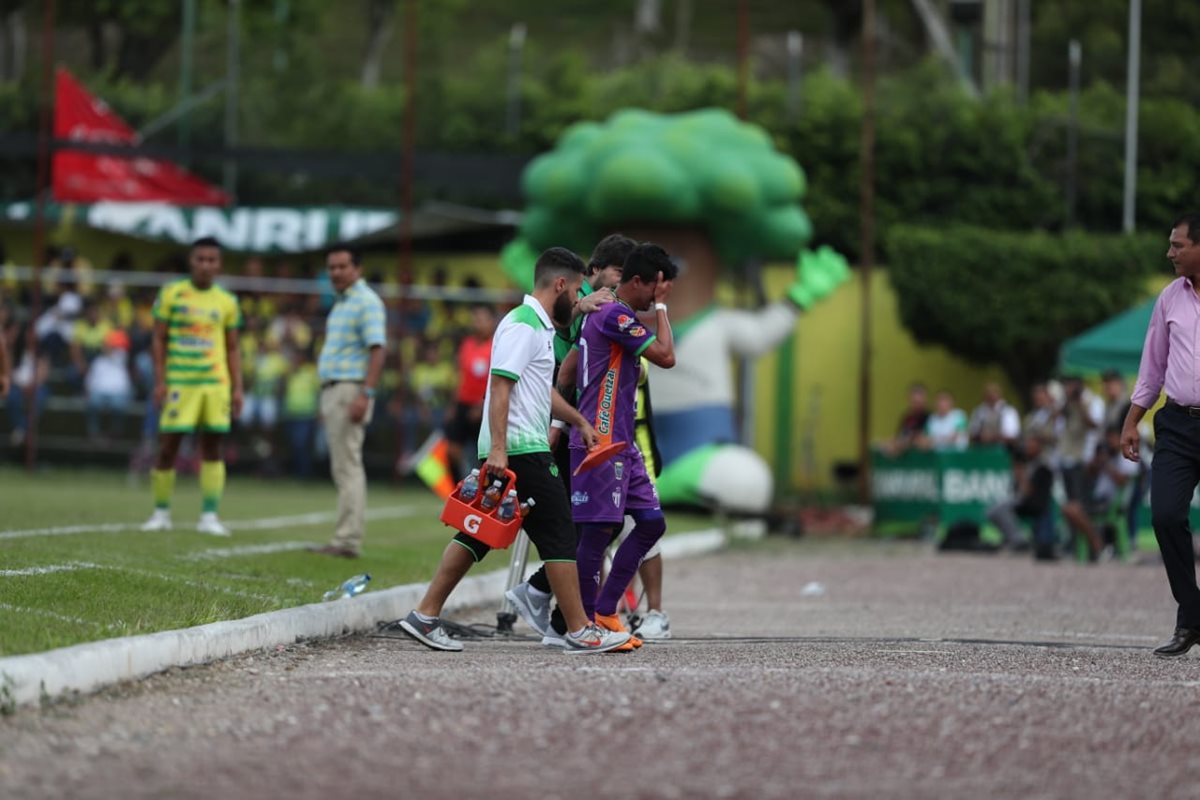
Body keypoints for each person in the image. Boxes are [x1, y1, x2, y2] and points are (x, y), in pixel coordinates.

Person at [397, 247, 631, 654]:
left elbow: (537, 390)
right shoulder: (522, 326)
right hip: (521, 449)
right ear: (559, 284)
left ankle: (424, 615)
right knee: (561, 533)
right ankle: (578, 630)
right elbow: (501, 386)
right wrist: (500, 451)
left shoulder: (534, 325)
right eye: (576, 291)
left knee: (480, 534)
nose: (577, 300)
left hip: (518, 445)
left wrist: (577, 420)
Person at [567, 243, 678, 649]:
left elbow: (570, 368)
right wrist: (663, 310)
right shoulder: (613, 315)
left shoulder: (616, 313)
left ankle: (604, 610)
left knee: (651, 523)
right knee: (597, 533)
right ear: (638, 282)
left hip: (623, 443)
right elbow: (666, 356)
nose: (657, 297)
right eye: (657, 290)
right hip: (600, 441)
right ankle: (583, 625)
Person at [1122, 212, 1200, 657]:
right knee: (1166, 515)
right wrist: (1132, 420)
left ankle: (1191, 621)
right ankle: (1193, 614)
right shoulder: (1170, 298)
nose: (1170, 253)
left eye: (1178, 245)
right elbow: (1152, 367)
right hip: (1176, 423)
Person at [141, 237, 243, 535]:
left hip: (214, 384)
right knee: (168, 446)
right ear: (191, 261)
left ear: (219, 264)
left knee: (212, 447)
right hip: (179, 382)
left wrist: (238, 388)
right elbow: (158, 339)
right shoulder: (172, 294)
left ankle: (209, 517)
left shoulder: (227, 301)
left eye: (212, 260)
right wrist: (159, 381)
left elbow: (233, 347)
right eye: (201, 259)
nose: (206, 265)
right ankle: (161, 513)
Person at [310, 245, 386, 559]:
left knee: (347, 466)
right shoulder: (343, 302)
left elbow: (377, 349)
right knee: (344, 465)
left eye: (342, 267)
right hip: (337, 389)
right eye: (331, 267)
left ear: (358, 269)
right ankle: (345, 538)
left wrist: (365, 393)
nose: (336, 273)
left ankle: (347, 541)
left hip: (349, 389)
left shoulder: (365, 301)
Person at [1055, 375, 1106, 559]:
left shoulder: (1093, 402)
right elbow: (1058, 424)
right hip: (1067, 459)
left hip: (1085, 462)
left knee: (1077, 506)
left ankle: (1096, 543)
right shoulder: (1066, 404)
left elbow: (1095, 426)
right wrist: (1067, 403)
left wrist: (1080, 405)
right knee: (1070, 506)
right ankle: (1078, 546)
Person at [445, 305, 496, 481]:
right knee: (452, 451)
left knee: (484, 455)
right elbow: (460, 375)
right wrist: (453, 405)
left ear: (491, 322)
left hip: (484, 407)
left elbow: (495, 381)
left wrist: (481, 406)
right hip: (463, 403)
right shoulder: (467, 344)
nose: (477, 323)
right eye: (475, 319)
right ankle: (459, 489)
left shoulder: (495, 345)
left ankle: (484, 491)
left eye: (481, 319)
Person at [986, 435, 1056, 557]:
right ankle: (1014, 538)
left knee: (999, 509)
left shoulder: (1043, 466)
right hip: (1022, 500)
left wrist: (1021, 475)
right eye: (1027, 444)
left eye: (1032, 444)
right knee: (993, 510)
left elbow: (1028, 491)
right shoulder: (1026, 462)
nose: (1028, 447)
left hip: (1034, 503)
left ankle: (1019, 541)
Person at [880, 382, 930, 456]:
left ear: (925, 399)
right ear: (909, 399)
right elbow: (899, 435)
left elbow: (924, 440)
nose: (917, 405)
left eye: (919, 402)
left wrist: (904, 442)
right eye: (914, 402)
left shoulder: (930, 417)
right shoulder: (907, 417)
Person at [968, 382, 1021, 449]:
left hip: (1003, 450)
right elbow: (972, 433)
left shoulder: (1008, 411)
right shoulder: (979, 411)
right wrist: (981, 437)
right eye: (989, 393)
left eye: (994, 392)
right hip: (981, 449)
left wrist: (991, 437)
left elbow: (1011, 435)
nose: (991, 395)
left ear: (999, 394)